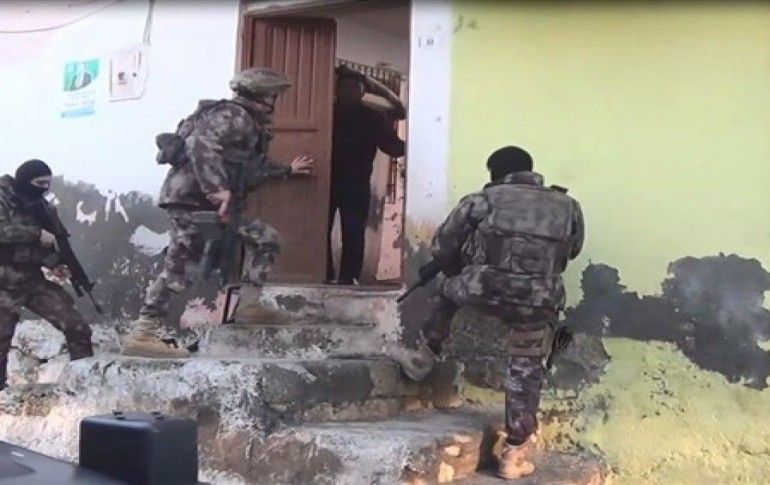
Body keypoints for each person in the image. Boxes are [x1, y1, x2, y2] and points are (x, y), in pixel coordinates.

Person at [392, 146, 584, 479]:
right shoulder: (568, 206)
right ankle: (514, 452)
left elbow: (443, 247)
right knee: (525, 368)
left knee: (446, 288)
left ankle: (424, 356)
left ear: (495, 174)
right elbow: (574, 249)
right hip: (539, 299)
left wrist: (461, 269)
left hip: (483, 289)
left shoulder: (481, 201)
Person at [122, 67, 313, 358]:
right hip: (193, 200)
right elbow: (200, 145)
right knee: (180, 264)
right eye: (274, 95)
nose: (275, 101)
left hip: (210, 204)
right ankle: (143, 333)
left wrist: (287, 170)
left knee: (265, 238)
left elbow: (249, 168)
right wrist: (217, 189)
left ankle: (249, 306)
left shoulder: (246, 122)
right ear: (265, 97)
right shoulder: (234, 116)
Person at [0, 160, 94, 389]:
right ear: (24, 181)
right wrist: (36, 233)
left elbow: (49, 244)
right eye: (39, 183)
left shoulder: (41, 206)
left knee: (76, 326)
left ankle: (84, 386)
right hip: (3, 282)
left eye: (48, 183)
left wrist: (56, 263)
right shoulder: (3, 198)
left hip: (32, 280)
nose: (44, 188)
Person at [327, 66, 406, 285]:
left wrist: (416, 144)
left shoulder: (372, 117)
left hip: (355, 181)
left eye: (355, 87)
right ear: (337, 89)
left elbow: (392, 145)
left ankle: (347, 277)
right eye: (345, 86)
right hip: (328, 180)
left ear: (362, 91)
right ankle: (333, 274)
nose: (349, 91)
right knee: (325, 230)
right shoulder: (325, 112)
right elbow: (393, 146)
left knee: (352, 231)